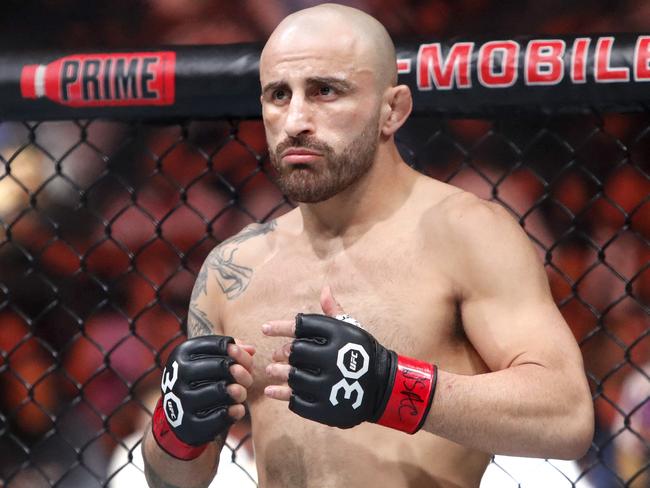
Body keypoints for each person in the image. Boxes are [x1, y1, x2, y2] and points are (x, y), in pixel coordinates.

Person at [141, 3, 595, 487]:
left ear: (392, 110)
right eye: (278, 94)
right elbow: (173, 480)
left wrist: (389, 387)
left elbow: (565, 416)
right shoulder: (232, 268)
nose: (295, 119)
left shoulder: (466, 233)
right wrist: (174, 426)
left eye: (325, 91)